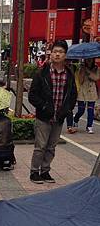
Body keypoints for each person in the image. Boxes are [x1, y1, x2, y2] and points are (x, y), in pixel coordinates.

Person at [29, 40, 77, 184]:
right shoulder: (41, 73)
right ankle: (34, 172)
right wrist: (43, 107)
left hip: (59, 116)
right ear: (50, 54)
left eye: (61, 52)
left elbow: (73, 94)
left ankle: (45, 171)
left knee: (51, 147)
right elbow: (32, 95)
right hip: (44, 116)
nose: (57, 54)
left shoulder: (69, 74)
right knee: (40, 146)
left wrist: (67, 110)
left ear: (65, 55)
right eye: (55, 51)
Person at [67, 58, 100, 134]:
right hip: (82, 91)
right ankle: (76, 119)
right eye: (87, 59)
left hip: (92, 91)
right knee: (81, 110)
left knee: (90, 110)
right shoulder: (82, 68)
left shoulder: (97, 68)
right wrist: (82, 71)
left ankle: (89, 126)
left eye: (90, 59)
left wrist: (88, 71)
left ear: (93, 60)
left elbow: (96, 77)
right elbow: (80, 80)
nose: (89, 60)